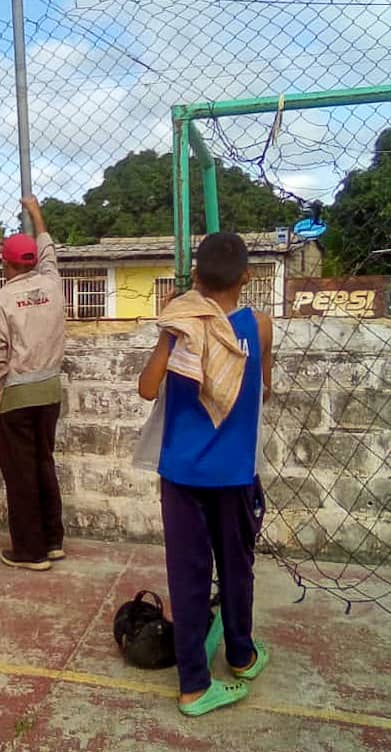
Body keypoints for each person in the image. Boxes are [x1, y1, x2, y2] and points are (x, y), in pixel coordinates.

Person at [138, 231, 273, 716]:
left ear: (195, 276)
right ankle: (242, 655)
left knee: (189, 578)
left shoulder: (180, 329)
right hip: (234, 474)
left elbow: (146, 389)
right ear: (247, 277)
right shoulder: (259, 326)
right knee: (237, 569)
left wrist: (170, 334)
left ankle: (194, 684)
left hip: (181, 474)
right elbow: (265, 391)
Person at [0, 195, 66, 571]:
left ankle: (30, 551)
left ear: (5, 263)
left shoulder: (0, 302)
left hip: (15, 395)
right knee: (44, 463)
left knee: (20, 473)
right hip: (49, 392)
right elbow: (47, 246)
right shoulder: (53, 283)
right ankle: (53, 540)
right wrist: (35, 212)